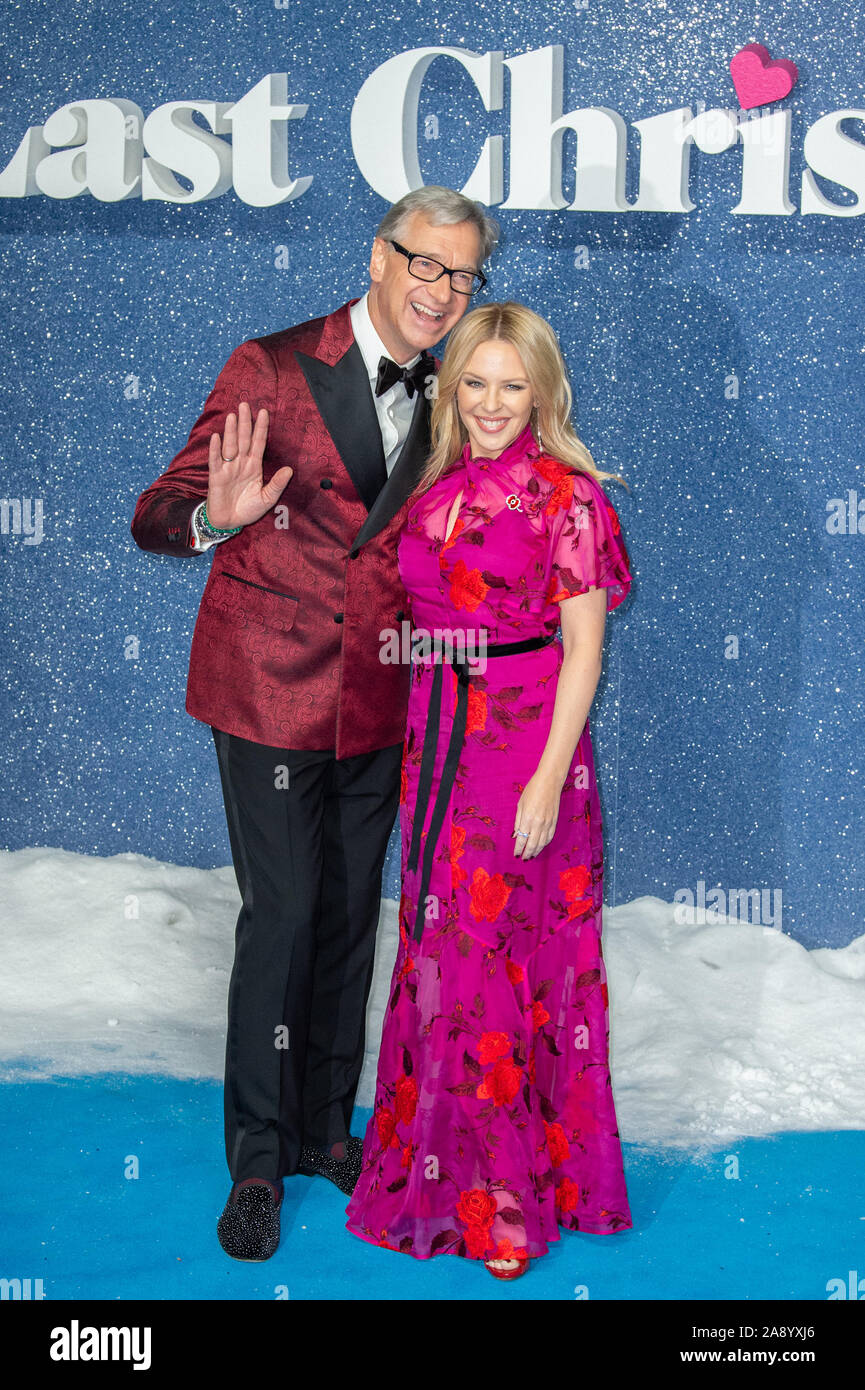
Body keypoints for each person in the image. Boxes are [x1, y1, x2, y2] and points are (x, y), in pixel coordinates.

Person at [130, 186, 499, 1261]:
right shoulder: (272, 364)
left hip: (381, 696)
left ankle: (322, 1131)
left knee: (346, 919)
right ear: (377, 256)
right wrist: (216, 517)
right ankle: (254, 1159)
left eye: (461, 275)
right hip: (267, 686)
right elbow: (154, 511)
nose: (439, 292)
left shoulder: (456, 390)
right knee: (283, 915)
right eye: (422, 265)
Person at [344, 302, 634, 1279]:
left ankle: (504, 1197)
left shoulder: (570, 500)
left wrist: (548, 779)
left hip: (522, 744)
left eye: (514, 385)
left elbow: (584, 654)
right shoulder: (431, 486)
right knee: (436, 956)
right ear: (452, 386)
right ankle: (429, 1174)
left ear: (542, 391)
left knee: (497, 960)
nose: (493, 403)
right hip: (434, 740)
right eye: (476, 382)